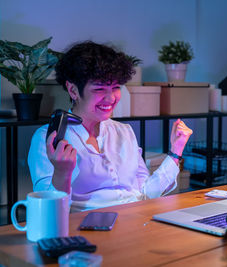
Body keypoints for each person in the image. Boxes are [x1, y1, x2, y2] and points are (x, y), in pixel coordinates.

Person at [28, 41, 193, 212]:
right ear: (73, 90)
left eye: (115, 87)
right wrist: (61, 173)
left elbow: (146, 194)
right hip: (85, 228)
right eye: (99, 89)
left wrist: (176, 150)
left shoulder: (124, 132)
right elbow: (49, 212)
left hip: (135, 221)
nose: (111, 98)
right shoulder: (48, 139)